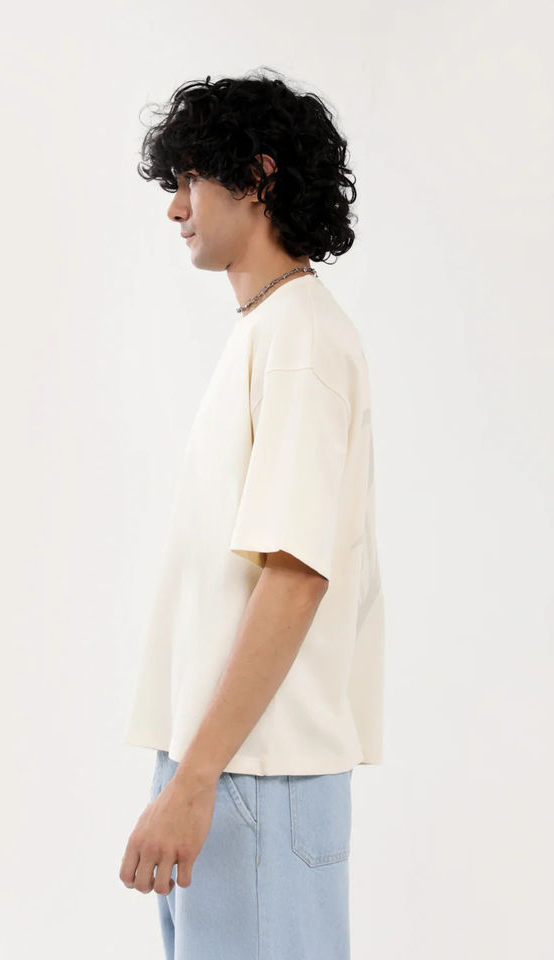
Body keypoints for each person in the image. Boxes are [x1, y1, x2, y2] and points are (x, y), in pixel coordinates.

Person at [119, 68, 385, 960]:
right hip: (228, 763)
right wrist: (188, 773)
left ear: (259, 177)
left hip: (254, 773)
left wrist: (196, 782)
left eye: (192, 179)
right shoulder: (269, 334)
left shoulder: (300, 341)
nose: (175, 208)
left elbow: (296, 576)